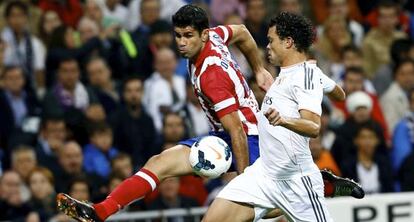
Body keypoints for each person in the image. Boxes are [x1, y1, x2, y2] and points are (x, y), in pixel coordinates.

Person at [56, 6, 363, 222]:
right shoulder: (214, 35)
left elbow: (237, 132)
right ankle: (101, 211)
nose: (181, 42)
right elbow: (242, 32)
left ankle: (322, 185)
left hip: (250, 137)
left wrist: (245, 180)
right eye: (178, 35)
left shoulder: (211, 77)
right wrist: (257, 69)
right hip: (227, 133)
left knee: (257, 207)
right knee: (158, 163)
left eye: (188, 36)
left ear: (202, 35)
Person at [202, 12, 338, 222]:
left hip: (297, 181)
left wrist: (283, 120)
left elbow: (313, 127)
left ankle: (321, 187)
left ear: (288, 42)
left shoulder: (306, 76)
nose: (267, 46)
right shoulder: (288, 75)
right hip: (263, 174)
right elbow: (340, 93)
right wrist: (330, 86)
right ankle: (276, 206)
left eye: (271, 40)